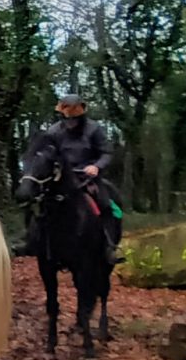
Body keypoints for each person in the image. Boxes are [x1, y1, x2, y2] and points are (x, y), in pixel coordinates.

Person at [32, 94, 121, 263]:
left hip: (88, 177)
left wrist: (96, 166)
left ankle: (110, 246)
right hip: (61, 177)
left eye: (75, 119)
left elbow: (106, 152)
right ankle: (31, 241)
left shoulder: (95, 129)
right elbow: (47, 154)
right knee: (39, 202)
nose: (71, 122)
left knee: (106, 205)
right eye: (68, 119)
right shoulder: (53, 131)